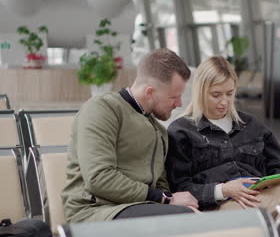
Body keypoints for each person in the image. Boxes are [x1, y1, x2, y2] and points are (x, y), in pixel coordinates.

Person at [166, 56, 280, 214]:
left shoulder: (252, 125)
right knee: (254, 209)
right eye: (216, 95)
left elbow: (278, 169)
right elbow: (180, 189)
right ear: (200, 92)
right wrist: (224, 190)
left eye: (229, 93)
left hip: (259, 196)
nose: (224, 101)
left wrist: (270, 182)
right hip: (219, 205)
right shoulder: (181, 132)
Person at [62, 49, 199, 223]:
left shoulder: (159, 130)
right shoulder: (103, 109)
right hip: (94, 212)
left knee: (191, 213)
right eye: (174, 97)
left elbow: (160, 184)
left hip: (138, 207)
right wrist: (166, 198)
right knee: (181, 217)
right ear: (150, 92)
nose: (179, 104)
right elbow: (98, 178)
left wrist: (171, 200)